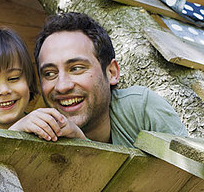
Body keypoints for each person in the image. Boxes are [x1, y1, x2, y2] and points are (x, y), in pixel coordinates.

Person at [34, 11, 188, 147]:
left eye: (76, 68)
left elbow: (191, 175)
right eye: (49, 73)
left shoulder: (140, 109)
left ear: (112, 72)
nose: (62, 86)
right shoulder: (40, 132)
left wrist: (82, 145)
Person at [0, 26, 84, 141]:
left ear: (29, 81)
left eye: (13, 78)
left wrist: (78, 134)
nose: (4, 90)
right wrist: (16, 132)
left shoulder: (45, 125)